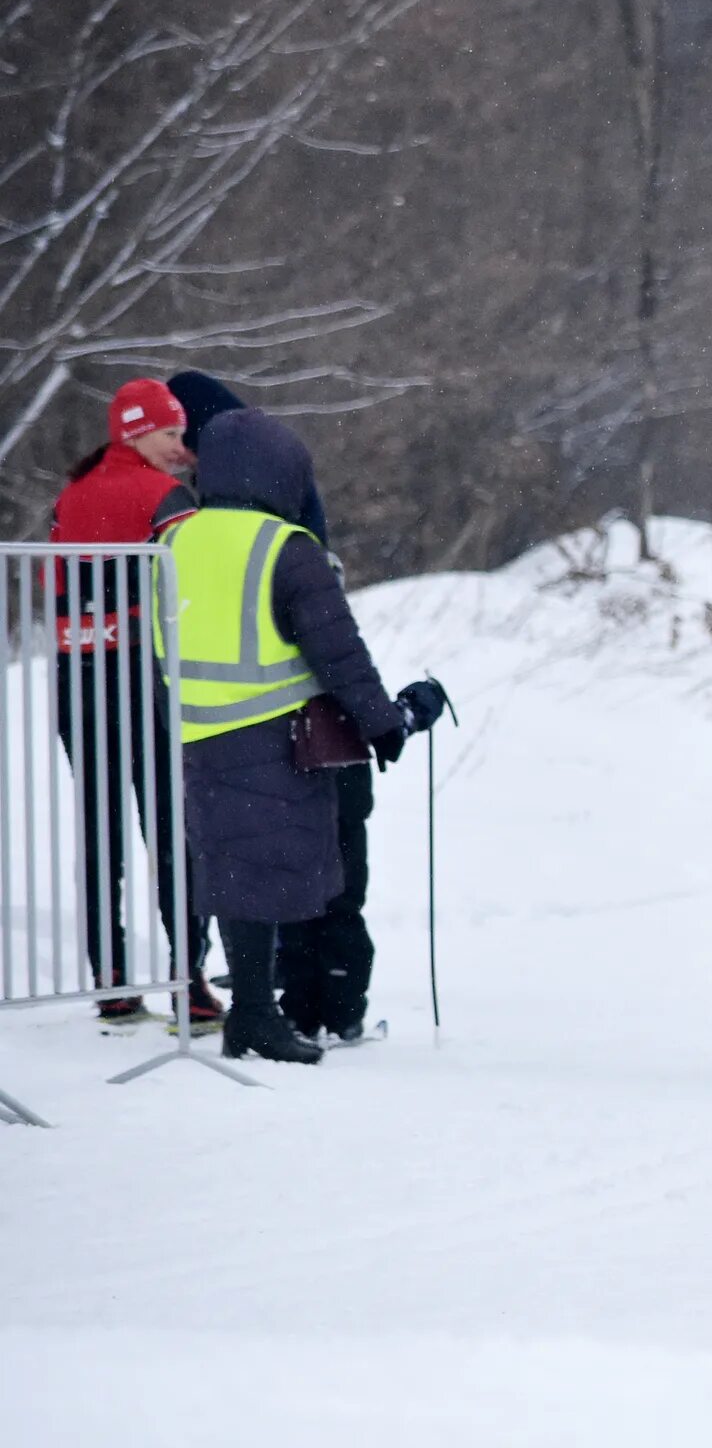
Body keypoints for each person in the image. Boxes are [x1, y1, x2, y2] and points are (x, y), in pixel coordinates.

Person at [156, 409, 442, 1065]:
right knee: (282, 871)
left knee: (233, 870)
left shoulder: (177, 540)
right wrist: (383, 724)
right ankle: (265, 1013)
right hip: (275, 731)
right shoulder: (285, 547)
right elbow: (339, 652)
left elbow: (164, 639)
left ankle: (254, 1012)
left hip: (200, 728)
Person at [48, 380, 218, 1031]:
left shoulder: (74, 493)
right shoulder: (164, 497)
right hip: (146, 680)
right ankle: (191, 980)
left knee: (100, 829)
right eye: (171, 434)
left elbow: (57, 579)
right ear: (136, 431)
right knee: (172, 831)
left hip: (79, 679)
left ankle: (111, 980)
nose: (180, 447)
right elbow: (194, 588)